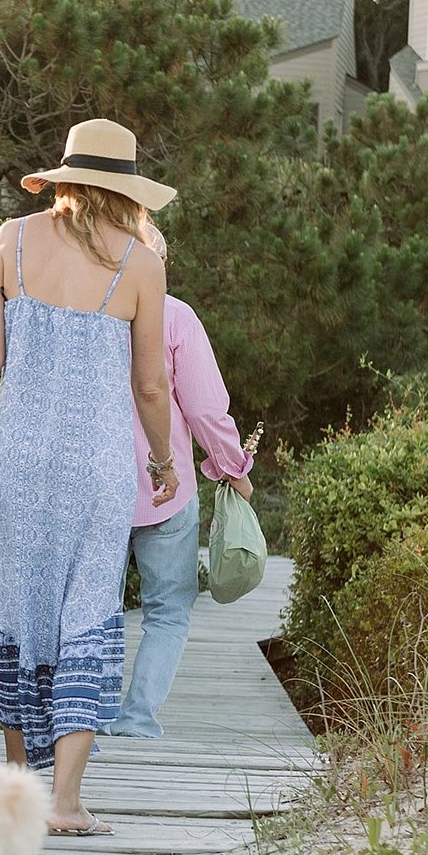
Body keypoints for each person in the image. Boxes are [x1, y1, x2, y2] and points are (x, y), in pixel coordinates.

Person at [0, 119, 178, 836]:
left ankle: (17, 795)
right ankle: (64, 801)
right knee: (87, 615)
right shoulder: (141, 263)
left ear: (63, 180)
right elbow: (151, 385)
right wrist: (161, 462)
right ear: (125, 192)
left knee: (21, 615)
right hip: (99, 465)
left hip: (18, 458)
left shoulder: (11, 241)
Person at [111, 296, 253, 739]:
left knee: (95, 612)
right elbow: (206, 410)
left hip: (98, 491)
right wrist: (234, 468)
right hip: (167, 490)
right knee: (169, 612)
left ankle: (86, 727)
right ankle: (137, 721)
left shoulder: (89, 306)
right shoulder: (174, 316)